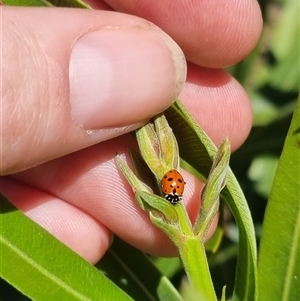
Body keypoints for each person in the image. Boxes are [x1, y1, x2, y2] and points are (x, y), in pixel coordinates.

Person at [0, 1, 262, 264]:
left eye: (173, 191)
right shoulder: (171, 181)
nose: (173, 191)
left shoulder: (172, 182)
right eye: (173, 191)